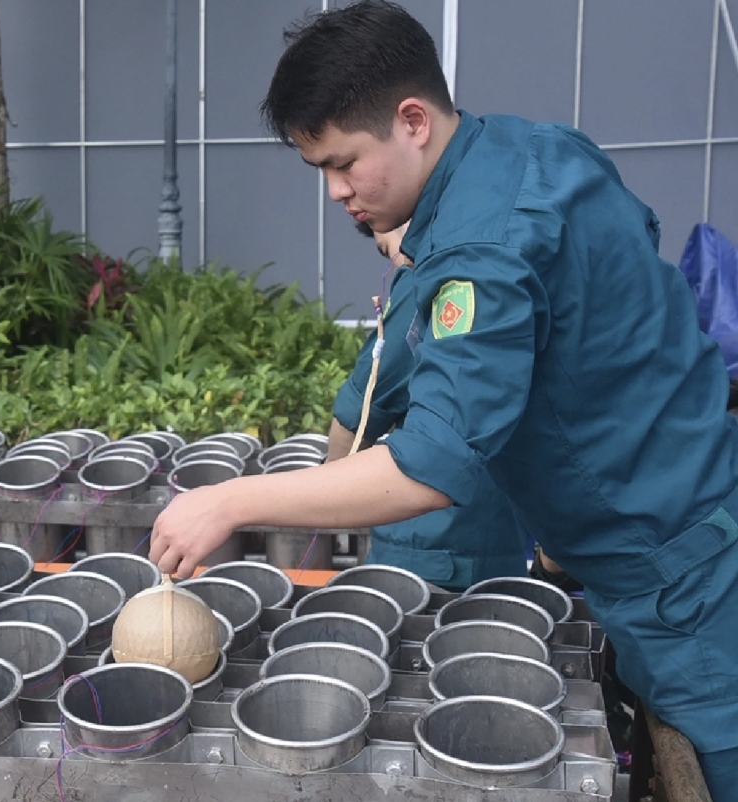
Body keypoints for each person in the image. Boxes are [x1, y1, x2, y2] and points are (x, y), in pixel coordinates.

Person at [148, 0, 738, 789]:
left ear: (414, 120)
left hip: (682, 586)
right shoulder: (535, 150)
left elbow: (428, 468)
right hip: (685, 522)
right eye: (318, 168)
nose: (334, 192)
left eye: (343, 162)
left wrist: (231, 503)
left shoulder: (481, 250)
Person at [329, 220, 529, 591]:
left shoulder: (425, 278)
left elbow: (358, 417)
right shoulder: (505, 270)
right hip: (500, 533)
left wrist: (327, 495)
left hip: (432, 551)